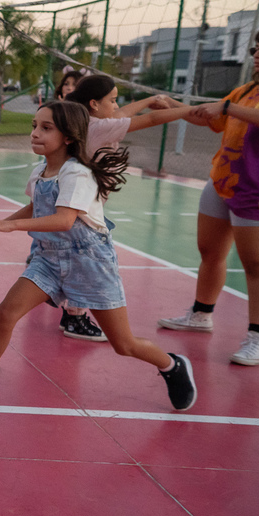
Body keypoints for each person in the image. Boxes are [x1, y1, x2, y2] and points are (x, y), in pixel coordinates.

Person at [0, 100, 197, 413]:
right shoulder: (41, 170)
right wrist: (1, 223)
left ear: (68, 137)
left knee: (123, 344)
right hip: (49, 259)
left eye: (46, 127)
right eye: (34, 125)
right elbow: (38, 207)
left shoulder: (77, 172)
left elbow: (64, 219)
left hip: (90, 261)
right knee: (5, 313)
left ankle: (172, 365)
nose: (35, 133)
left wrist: (9, 226)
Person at [158, 23, 259, 366]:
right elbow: (212, 118)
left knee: (256, 264)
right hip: (222, 181)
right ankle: (201, 315)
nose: (258, 55)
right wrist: (171, 105)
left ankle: (258, 339)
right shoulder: (248, 89)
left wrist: (227, 108)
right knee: (210, 252)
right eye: (256, 48)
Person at [53, 74, 192, 341]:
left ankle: (71, 313)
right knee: (87, 263)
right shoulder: (97, 127)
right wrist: (192, 111)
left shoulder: (88, 120)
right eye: (112, 100)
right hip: (83, 209)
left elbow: (124, 113)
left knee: (72, 261)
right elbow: (150, 120)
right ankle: (75, 317)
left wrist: (152, 99)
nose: (117, 106)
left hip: (80, 204)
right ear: (94, 103)